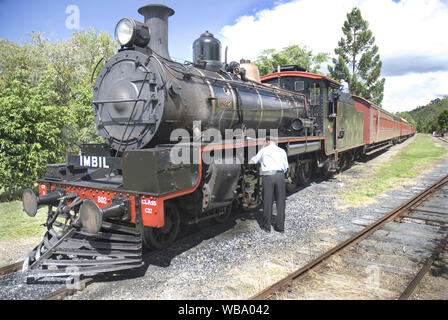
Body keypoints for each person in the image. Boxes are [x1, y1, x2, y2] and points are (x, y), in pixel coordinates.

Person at [249, 136, 289, 233]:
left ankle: (267, 227)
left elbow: (253, 161)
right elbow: (286, 166)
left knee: (268, 200)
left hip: (268, 176)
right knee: (280, 201)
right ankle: (280, 227)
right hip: (280, 175)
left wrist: (249, 163)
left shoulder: (264, 150)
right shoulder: (282, 151)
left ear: (267, 141)